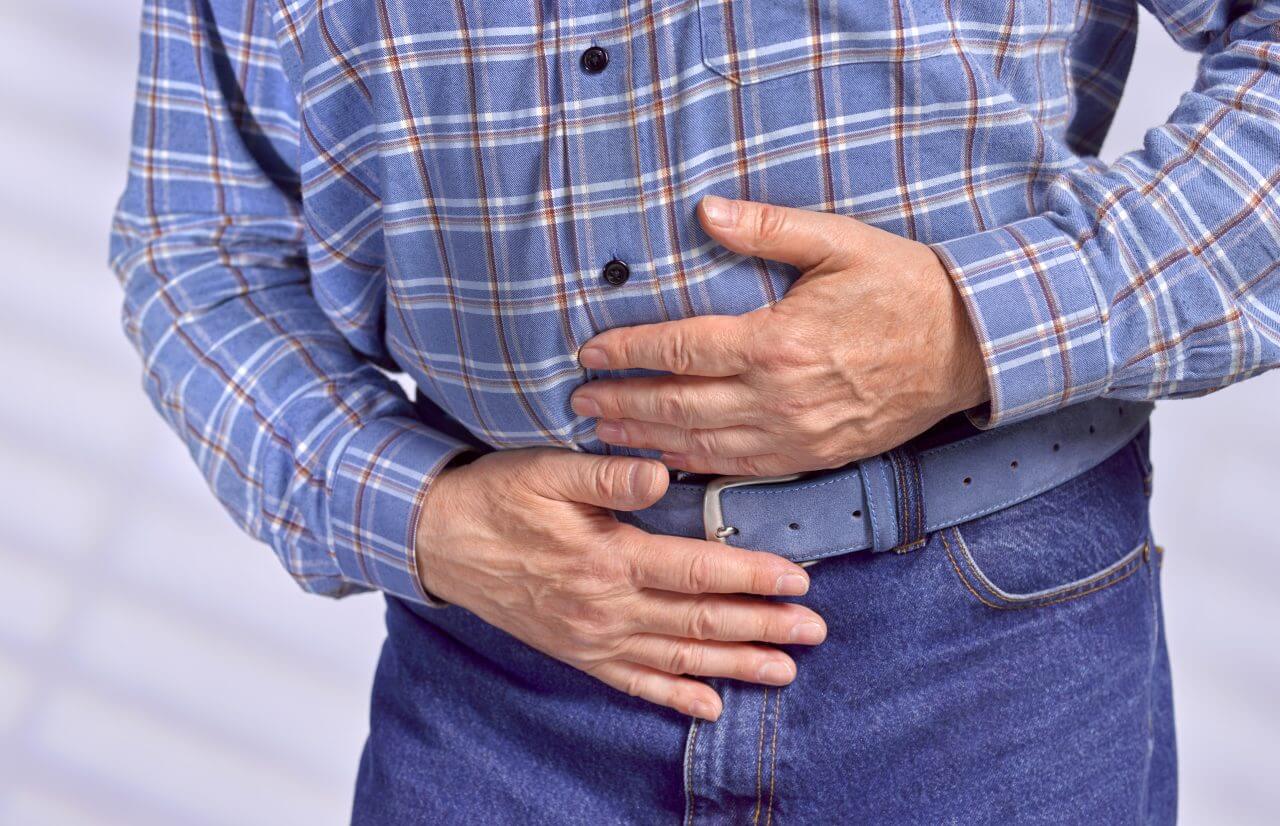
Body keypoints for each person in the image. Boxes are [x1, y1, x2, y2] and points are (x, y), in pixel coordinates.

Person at [108, 0, 1278, 822]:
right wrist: (420, 516)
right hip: (502, 673)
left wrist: (968, 326)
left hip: (983, 657)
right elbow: (200, 248)